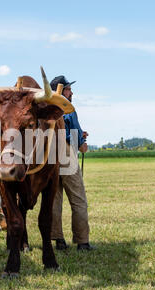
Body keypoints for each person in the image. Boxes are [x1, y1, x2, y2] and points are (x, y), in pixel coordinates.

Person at [50, 75, 95, 251]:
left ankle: (58, 240)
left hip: (50, 154)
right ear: (60, 90)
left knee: (55, 200)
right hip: (67, 153)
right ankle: (82, 241)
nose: (71, 92)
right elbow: (71, 132)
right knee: (79, 200)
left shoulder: (47, 106)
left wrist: (79, 135)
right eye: (68, 89)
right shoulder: (68, 108)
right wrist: (81, 144)